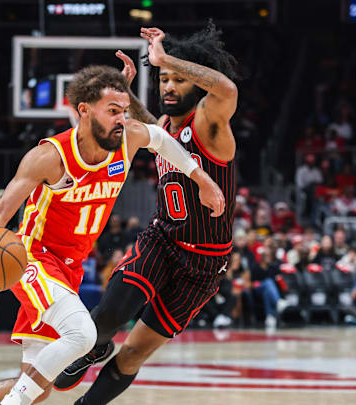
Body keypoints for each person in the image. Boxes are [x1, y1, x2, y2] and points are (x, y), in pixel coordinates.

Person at [0, 63, 224, 405]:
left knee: (37, 389)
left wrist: (203, 179)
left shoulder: (129, 139)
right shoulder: (50, 156)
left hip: (69, 269)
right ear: (83, 109)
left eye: (124, 111)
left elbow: (163, 141)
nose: (122, 119)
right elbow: (2, 211)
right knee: (82, 335)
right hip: (32, 258)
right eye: (112, 111)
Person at [54, 24, 238, 405]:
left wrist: (165, 57)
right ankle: (92, 349)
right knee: (107, 318)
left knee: (134, 353)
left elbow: (228, 89)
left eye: (177, 79)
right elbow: (151, 129)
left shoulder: (209, 121)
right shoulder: (167, 127)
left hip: (204, 262)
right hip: (162, 239)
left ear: (196, 84)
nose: (168, 86)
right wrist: (124, 94)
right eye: (163, 79)